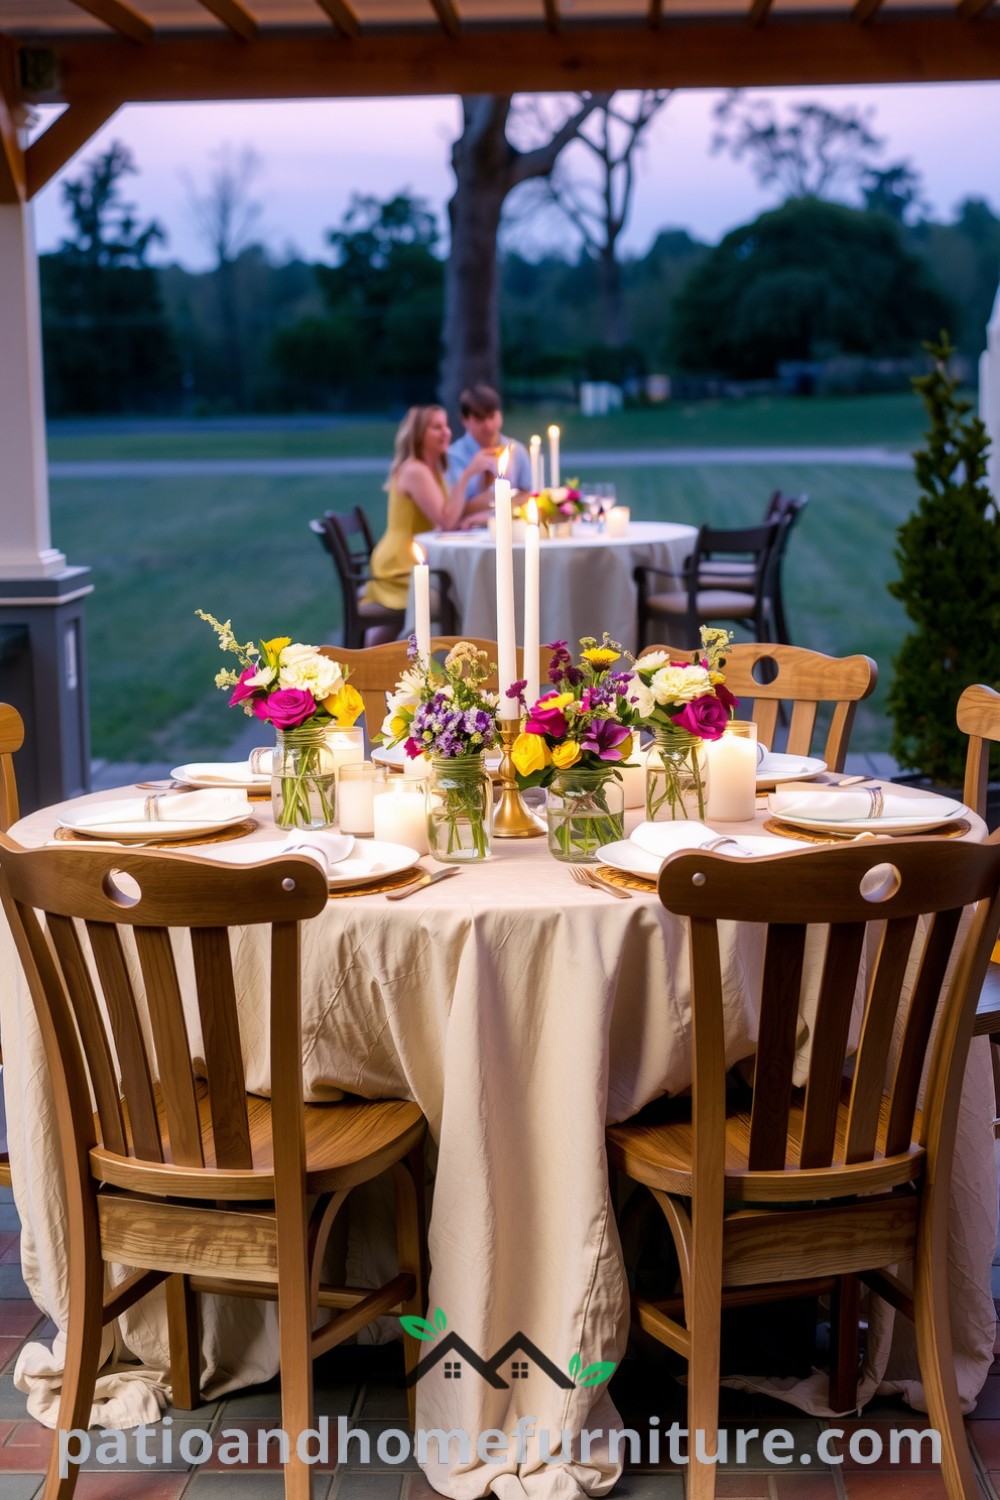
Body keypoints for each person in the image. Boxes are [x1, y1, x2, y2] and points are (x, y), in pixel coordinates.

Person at [363, 404, 496, 617]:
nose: (446, 432)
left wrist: (497, 500)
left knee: (458, 585)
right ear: (418, 434)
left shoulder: (432, 469)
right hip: (400, 564)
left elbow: (455, 510)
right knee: (458, 591)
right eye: (437, 427)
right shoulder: (416, 470)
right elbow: (447, 521)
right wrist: (468, 474)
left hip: (412, 557)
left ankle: (383, 648)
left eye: (446, 426)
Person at [446, 383, 533, 502]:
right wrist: (470, 472)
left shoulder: (517, 450)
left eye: (492, 416)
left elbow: (528, 494)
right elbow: (451, 508)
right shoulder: (453, 456)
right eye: (479, 419)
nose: (488, 426)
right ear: (464, 420)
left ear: (500, 414)